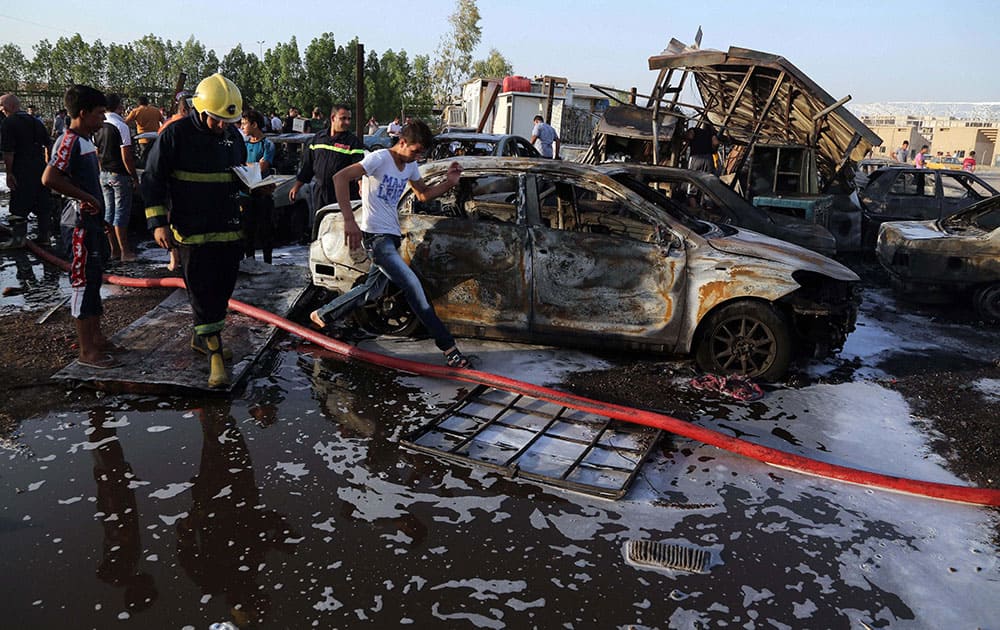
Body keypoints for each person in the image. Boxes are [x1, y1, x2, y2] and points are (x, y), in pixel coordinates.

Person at [309, 120, 473, 368]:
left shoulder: (409, 166)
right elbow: (340, 178)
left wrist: (450, 183)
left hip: (392, 236)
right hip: (376, 237)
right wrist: (349, 221)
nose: (418, 156)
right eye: (415, 150)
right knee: (414, 289)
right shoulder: (379, 158)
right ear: (402, 141)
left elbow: (423, 194)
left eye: (421, 153)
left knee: (372, 290)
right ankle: (450, 350)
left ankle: (322, 314)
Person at [142, 73, 247, 388]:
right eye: (216, 119)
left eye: (227, 121)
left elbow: (239, 175)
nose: (222, 126)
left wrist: (255, 188)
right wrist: (157, 222)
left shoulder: (233, 136)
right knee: (201, 291)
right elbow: (152, 179)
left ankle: (202, 339)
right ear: (201, 111)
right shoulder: (175, 135)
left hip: (227, 227)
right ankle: (214, 353)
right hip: (192, 229)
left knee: (223, 287)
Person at [41, 84, 122, 369]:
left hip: (91, 223)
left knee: (94, 279)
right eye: (99, 113)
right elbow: (49, 178)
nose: (103, 118)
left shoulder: (87, 140)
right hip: (78, 225)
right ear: (83, 113)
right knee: (83, 284)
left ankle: (97, 338)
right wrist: (86, 197)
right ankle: (87, 351)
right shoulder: (68, 141)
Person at [289, 104, 364, 229]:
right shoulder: (318, 139)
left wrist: (361, 186)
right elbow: (308, 167)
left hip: (343, 195)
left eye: (349, 119)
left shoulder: (353, 142)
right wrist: (297, 186)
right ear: (333, 118)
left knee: (340, 231)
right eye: (343, 118)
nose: (347, 122)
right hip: (321, 194)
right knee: (321, 228)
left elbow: (358, 168)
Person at [1, 92, 55, 246]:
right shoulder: (35, 121)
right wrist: (48, 163)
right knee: (42, 201)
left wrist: (9, 173)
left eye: (2, 108)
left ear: (9, 107)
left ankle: (18, 239)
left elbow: (8, 152)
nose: (2, 111)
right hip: (40, 166)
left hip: (21, 168)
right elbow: (49, 144)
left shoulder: (8, 123)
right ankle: (45, 236)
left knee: (19, 204)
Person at [93, 93, 138, 261]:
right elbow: (126, 156)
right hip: (119, 174)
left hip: (104, 173)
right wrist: (134, 177)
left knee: (108, 213)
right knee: (121, 213)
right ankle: (126, 252)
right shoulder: (120, 125)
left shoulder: (99, 125)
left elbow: (97, 152)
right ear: (119, 106)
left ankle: (114, 251)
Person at [239, 109, 276, 264]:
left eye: (244, 124)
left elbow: (262, 167)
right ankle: (249, 261)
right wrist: (250, 165)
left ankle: (268, 263)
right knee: (247, 232)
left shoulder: (267, 144)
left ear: (254, 124)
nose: (241, 127)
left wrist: (246, 165)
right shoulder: (243, 145)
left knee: (265, 231)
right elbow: (237, 164)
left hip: (263, 194)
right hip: (245, 195)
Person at [124, 95, 163, 162]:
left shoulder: (136, 111)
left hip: (143, 138)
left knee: (144, 157)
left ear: (138, 103)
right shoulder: (156, 110)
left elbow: (125, 122)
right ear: (147, 102)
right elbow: (163, 122)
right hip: (156, 137)